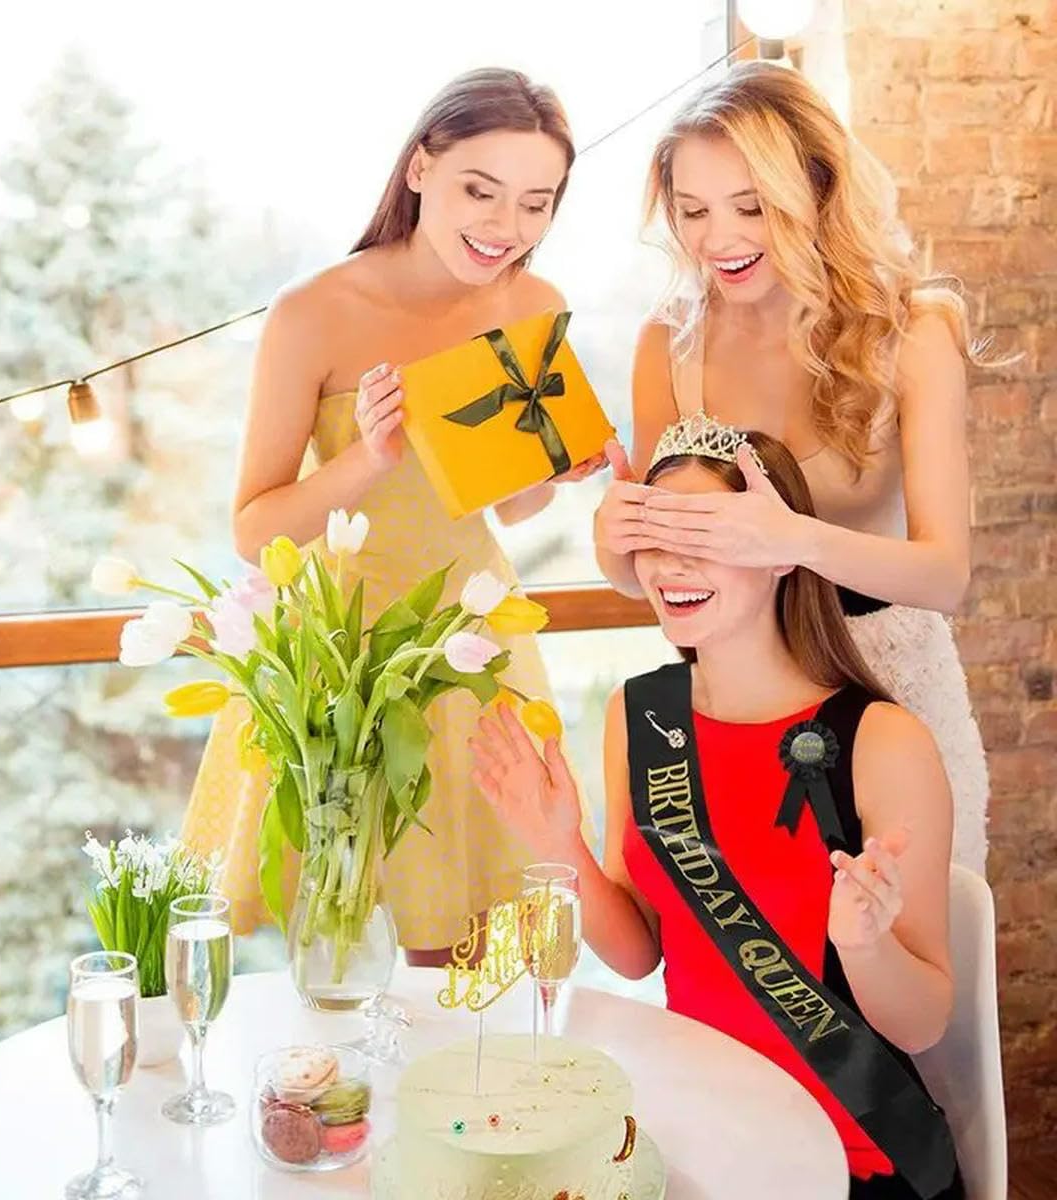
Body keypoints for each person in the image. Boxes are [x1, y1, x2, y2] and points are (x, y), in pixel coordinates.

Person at [475, 417, 964, 1199]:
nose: (671, 566)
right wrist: (556, 843)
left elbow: (924, 1021)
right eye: (654, 537)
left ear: (780, 551)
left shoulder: (882, 740)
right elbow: (640, 952)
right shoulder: (640, 716)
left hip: (850, 1152)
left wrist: (866, 947)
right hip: (704, 1133)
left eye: (703, 535)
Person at [180, 68, 605, 961]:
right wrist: (364, 460)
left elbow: (509, 504)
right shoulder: (313, 313)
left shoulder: (536, 306)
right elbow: (256, 531)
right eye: (480, 191)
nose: (506, 227)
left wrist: (555, 474)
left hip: (471, 640)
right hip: (342, 655)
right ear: (419, 169)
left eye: (536, 204)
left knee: (476, 951)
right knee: (342, 941)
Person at [594, 61, 989, 873]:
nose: (719, 239)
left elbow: (946, 575)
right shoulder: (667, 345)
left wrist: (790, 539)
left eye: (753, 206)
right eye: (694, 210)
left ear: (816, 192)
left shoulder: (911, 334)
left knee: (909, 940)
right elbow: (649, 574)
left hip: (893, 690)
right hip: (737, 706)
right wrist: (615, 538)